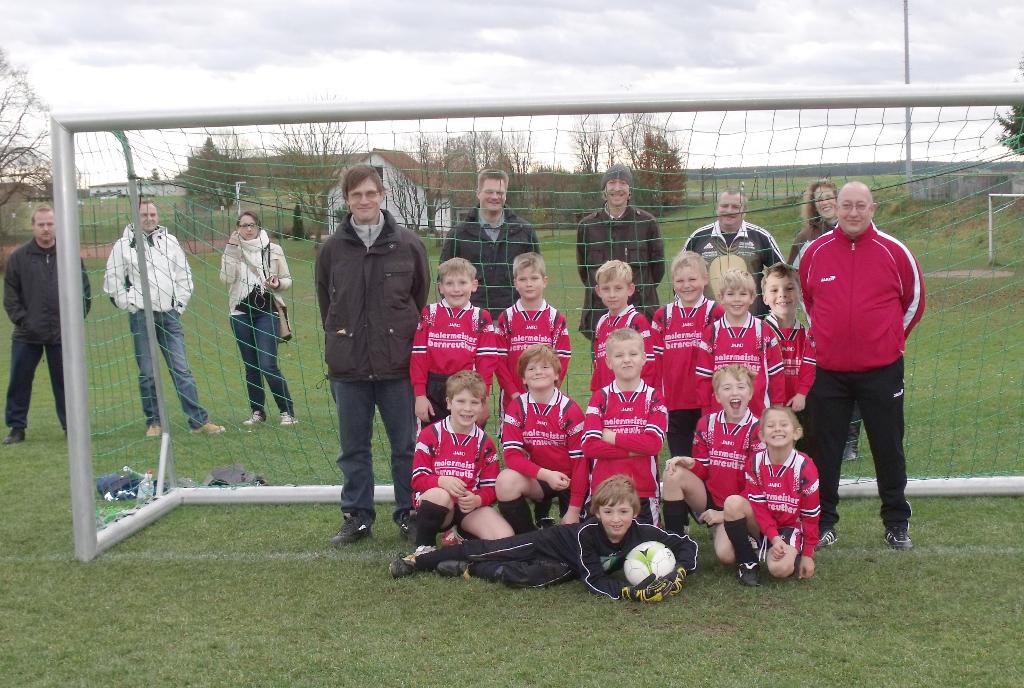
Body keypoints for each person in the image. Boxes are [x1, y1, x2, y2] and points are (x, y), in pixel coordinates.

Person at [799, 181, 925, 551]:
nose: (853, 212)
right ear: (836, 208)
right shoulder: (815, 252)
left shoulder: (894, 251)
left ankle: (896, 522)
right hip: (829, 371)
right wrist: (828, 338)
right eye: (847, 205)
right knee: (825, 449)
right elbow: (808, 300)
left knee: (888, 447)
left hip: (882, 370)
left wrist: (889, 341)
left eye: (860, 205)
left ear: (873, 209)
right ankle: (824, 522)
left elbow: (915, 301)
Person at [316, 164, 430, 546]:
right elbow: (326, 303)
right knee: (353, 449)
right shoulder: (331, 249)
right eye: (356, 195)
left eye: (370, 193)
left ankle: (409, 513)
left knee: (406, 447)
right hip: (349, 367)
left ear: (382, 195)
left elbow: (419, 299)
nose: (364, 200)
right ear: (346, 200)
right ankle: (358, 516)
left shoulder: (409, 244)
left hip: (398, 365)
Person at [390, 474, 697, 605]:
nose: (616, 519)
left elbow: (687, 544)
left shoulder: (643, 532)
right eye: (608, 511)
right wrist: (631, 592)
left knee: (528, 578)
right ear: (596, 513)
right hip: (551, 543)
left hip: (568, 566)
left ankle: (468, 570)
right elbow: (593, 579)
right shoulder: (587, 534)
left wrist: (680, 571)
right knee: (491, 550)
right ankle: (418, 561)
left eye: (623, 512)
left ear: (635, 512)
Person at [103, 200, 224, 437]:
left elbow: (184, 276)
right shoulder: (123, 245)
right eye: (144, 214)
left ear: (158, 216)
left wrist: (178, 306)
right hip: (141, 316)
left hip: (169, 316)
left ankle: (198, 422)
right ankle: (154, 422)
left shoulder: (170, 241)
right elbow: (112, 280)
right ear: (135, 217)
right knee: (148, 373)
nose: (149, 218)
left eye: (152, 214)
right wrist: (130, 303)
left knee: (181, 370)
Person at [3, 206, 91, 444]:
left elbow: (84, 291)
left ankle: (71, 426)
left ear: (56, 225)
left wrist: (73, 321)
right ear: (33, 226)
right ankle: (16, 428)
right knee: (19, 382)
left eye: (50, 224)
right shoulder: (19, 257)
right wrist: (23, 320)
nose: (45, 229)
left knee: (66, 383)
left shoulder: (69, 255)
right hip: (26, 334)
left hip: (62, 334)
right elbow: (10, 295)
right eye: (41, 224)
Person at [662, 365, 764, 569]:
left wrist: (724, 514)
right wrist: (692, 464)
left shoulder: (758, 429)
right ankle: (676, 547)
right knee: (673, 473)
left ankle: (739, 530)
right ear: (717, 396)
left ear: (750, 393)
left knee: (726, 556)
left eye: (740, 387)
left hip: (741, 505)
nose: (734, 392)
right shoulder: (706, 423)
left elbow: (757, 487)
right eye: (727, 388)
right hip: (712, 498)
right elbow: (705, 471)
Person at [409, 371, 513, 553]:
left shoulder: (485, 443)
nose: (467, 408)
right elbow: (418, 479)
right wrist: (441, 481)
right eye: (461, 401)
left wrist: (478, 499)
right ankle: (424, 546)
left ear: (482, 406)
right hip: (439, 504)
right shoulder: (430, 435)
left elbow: (491, 488)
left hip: (468, 507)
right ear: (449, 403)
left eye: (474, 402)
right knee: (439, 496)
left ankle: (461, 535)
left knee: (504, 537)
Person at [580, 328, 667, 525]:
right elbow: (590, 447)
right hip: (603, 490)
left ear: (644, 358)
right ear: (608, 362)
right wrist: (633, 450)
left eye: (633, 354)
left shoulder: (654, 398)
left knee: (646, 543)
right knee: (594, 543)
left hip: (642, 491)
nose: (626, 360)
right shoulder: (600, 398)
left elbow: (653, 445)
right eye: (619, 355)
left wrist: (613, 437)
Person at [496, 344, 586, 532]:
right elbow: (512, 456)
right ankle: (529, 536)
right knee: (505, 481)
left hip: (571, 480)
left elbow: (581, 463)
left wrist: (574, 510)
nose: (538, 372)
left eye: (545, 367)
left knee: (572, 534)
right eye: (531, 368)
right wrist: (546, 475)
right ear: (523, 378)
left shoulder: (570, 410)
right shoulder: (517, 407)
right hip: (540, 477)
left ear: (556, 375)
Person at [220, 211, 296, 427]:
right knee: (251, 366)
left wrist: (278, 283)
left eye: (252, 225)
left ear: (258, 226)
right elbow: (225, 279)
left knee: (267, 364)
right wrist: (231, 250)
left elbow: (287, 279)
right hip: (240, 313)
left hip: (267, 312)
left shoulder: (274, 249)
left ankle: (287, 411)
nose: (248, 229)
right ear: (237, 228)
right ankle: (257, 411)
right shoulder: (232, 250)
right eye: (243, 225)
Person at [576, 164, 665, 340]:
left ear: (630, 191)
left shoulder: (647, 223)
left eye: (623, 183)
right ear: (604, 190)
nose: (617, 188)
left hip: (640, 314)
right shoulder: (587, 226)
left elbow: (657, 271)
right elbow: (584, 272)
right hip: (601, 315)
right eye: (612, 183)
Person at [651, 250, 724, 457]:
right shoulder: (662, 316)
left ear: (705, 279)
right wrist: (658, 398)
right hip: (675, 403)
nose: (686, 285)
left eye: (692, 279)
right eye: (680, 280)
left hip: (708, 403)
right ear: (673, 283)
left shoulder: (715, 313)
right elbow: (655, 363)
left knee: (708, 461)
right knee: (681, 461)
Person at [439, 169, 539, 318]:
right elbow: (443, 278)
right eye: (489, 192)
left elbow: (536, 275)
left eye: (500, 192)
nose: (495, 197)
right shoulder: (458, 234)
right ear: (478, 193)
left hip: (515, 318)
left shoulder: (524, 231)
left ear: (506, 195)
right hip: (470, 319)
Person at [739, 406, 821, 585]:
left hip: (790, 526)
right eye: (770, 426)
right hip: (764, 525)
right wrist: (773, 537)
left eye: (784, 424)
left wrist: (808, 554)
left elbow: (811, 515)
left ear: (796, 433)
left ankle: (792, 551)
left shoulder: (805, 467)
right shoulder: (754, 463)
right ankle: (748, 560)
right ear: (762, 435)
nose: (777, 429)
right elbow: (758, 507)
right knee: (733, 503)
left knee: (779, 569)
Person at [411, 257, 497, 426]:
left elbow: (486, 361)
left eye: (462, 283)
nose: (456, 289)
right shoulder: (430, 313)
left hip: (467, 387)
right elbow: (419, 356)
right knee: (433, 437)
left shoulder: (481, 317)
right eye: (449, 283)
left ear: (474, 285)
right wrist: (420, 395)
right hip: (433, 388)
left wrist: (484, 398)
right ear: (440, 287)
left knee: (466, 437)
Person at [694, 268, 785, 418]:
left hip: (758, 415)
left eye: (743, 294)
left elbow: (776, 373)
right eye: (730, 294)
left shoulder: (763, 331)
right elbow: (703, 376)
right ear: (721, 297)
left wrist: (777, 407)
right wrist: (706, 413)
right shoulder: (712, 333)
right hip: (720, 417)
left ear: (752, 297)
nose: (737, 299)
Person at [683, 188, 784, 316]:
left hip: (752, 319)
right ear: (717, 208)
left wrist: (772, 310)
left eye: (736, 207)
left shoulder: (761, 237)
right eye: (724, 206)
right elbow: (680, 275)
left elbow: (782, 275)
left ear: (745, 211)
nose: (729, 210)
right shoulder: (698, 238)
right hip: (708, 320)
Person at [492, 253, 571, 409]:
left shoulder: (555, 318)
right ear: (515, 283)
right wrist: (513, 392)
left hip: (546, 397)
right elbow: (499, 360)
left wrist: (551, 389)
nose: (529, 284)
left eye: (534, 278)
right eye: (523, 279)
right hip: (512, 399)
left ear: (544, 281)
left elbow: (562, 358)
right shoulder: (506, 317)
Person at [760, 263, 815, 454]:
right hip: (769, 409)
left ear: (800, 294)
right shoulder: (760, 333)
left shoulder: (806, 335)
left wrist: (802, 393)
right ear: (765, 297)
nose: (782, 294)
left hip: (800, 408)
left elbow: (810, 370)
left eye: (789, 288)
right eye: (774, 290)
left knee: (803, 456)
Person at [589, 260, 656, 392]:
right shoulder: (601, 323)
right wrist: (597, 395)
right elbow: (598, 366)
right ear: (598, 291)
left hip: (632, 397)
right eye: (606, 289)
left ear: (630, 289)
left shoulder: (636, 321)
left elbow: (648, 364)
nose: (612, 295)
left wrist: (642, 396)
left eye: (618, 288)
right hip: (607, 397)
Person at [788, 180, 838, 266]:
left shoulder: (852, 230)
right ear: (814, 206)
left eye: (829, 197)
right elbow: (792, 271)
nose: (825, 202)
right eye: (819, 199)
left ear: (837, 200)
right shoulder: (805, 237)